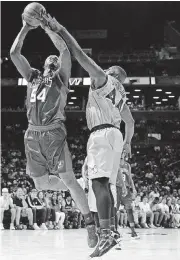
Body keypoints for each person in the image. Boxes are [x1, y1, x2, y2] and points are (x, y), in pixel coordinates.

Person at [10, 17, 98, 247]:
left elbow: (64, 50)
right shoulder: (32, 77)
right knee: (41, 185)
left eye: (54, 59)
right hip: (31, 134)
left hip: (53, 133)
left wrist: (48, 27)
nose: (52, 58)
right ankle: (76, 184)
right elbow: (14, 53)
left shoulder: (60, 78)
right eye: (48, 58)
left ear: (57, 65)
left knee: (67, 179)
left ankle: (90, 224)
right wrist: (26, 27)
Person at [116, 153, 139, 239]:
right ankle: (115, 230)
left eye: (124, 153)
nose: (123, 154)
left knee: (129, 210)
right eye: (122, 152)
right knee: (115, 210)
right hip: (117, 188)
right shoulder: (114, 163)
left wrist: (134, 188)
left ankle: (133, 231)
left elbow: (130, 178)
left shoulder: (127, 165)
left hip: (127, 189)